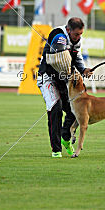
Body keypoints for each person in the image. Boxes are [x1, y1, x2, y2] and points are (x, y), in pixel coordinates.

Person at [37, 17, 92, 158]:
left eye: (80, 34)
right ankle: (56, 150)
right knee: (55, 108)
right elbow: (61, 55)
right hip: (47, 77)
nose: (78, 37)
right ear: (68, 30)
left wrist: (83, 69)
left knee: (75, 110)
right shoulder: (58, 35)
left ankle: (65, 138)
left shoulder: (76, 41)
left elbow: (76, 58)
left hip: (63, 80)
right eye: (76, 34)